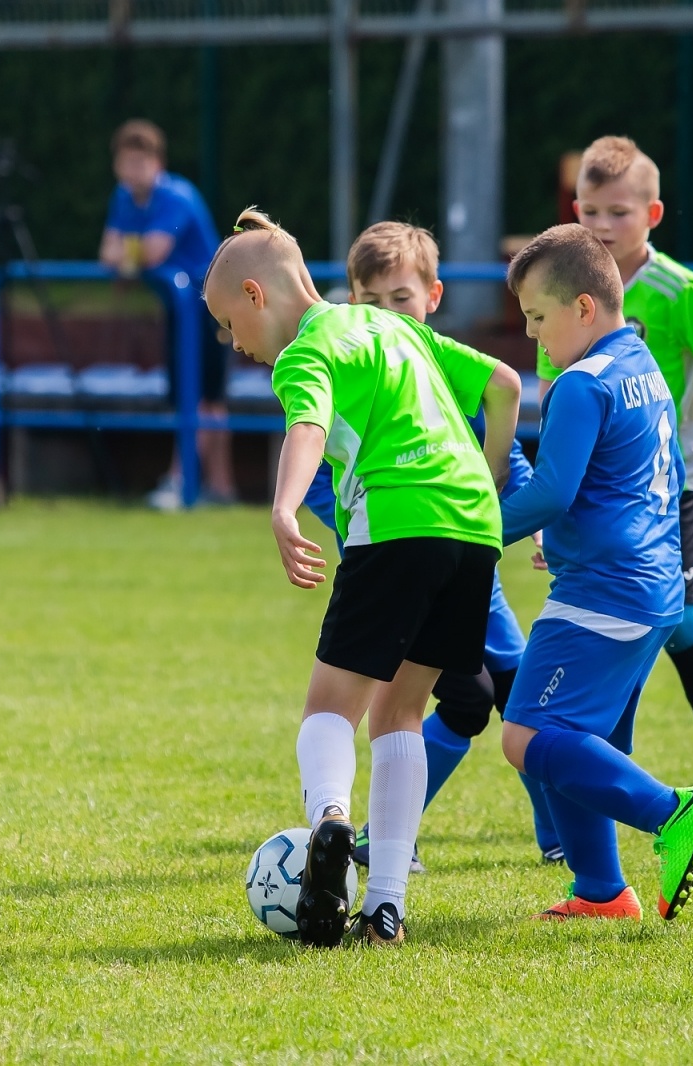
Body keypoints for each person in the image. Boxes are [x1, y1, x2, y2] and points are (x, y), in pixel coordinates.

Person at [203, 207, 521, 946]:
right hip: (474, 526)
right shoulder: (395, 327)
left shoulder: (305, 351)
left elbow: (307, 426)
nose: (233, 342)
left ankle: (331, 822)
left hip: (399, 522)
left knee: (329, 711)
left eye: (227, 323)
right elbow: (504, 384)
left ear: (257, 295)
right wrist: (495, 474)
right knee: (401, 713)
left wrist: (284, 508)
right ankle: (384, 909)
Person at [296, 221, 562, 871]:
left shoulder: (445, 366)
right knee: (473, 701)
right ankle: (395, 837)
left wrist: (537, 525)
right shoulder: (355, 369)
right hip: (403, 563)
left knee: (510, 702)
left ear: (433, 296)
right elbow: (323, 480)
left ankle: (558, 836)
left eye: (402, 298)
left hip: (472, 570)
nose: (387, 313)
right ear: (350, 302)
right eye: (372, 300)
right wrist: (371, 532)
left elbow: (508, 461)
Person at [539, 136, 693, 830]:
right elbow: (558, 396)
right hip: (606, 488)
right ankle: (609, 775)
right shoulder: (563, 294)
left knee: (673, 619)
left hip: (679, 482)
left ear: (653, 213)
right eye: (589, 211)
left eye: (618, 212)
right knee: (626, 622)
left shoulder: (682, 292)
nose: (601, 227)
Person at [499, 224, 693, 922]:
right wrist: (557, 531)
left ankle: (672, 812)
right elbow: (607, 484)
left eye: (538, 318)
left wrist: (470, 528)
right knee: (575, 743)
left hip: (603, 591)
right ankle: (601, 891)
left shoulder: (580, 383)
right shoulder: (642, 366)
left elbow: (555, 490)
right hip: (652, 589)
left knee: (528, 736)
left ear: (584, 309)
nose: (534, 337)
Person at [100, 119, 235, 509]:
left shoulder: (178, 197)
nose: (133, 171)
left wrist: (126, 254)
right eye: (127, 163)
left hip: (213, 308)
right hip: (182, 311)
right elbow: (104, 251)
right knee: (197, 398)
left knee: (206, 398)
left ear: (158, 162)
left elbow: (152, 251)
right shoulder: (123, 197)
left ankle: (184, 483)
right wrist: (130, 252)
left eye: (141, 162)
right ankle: (215, 488)